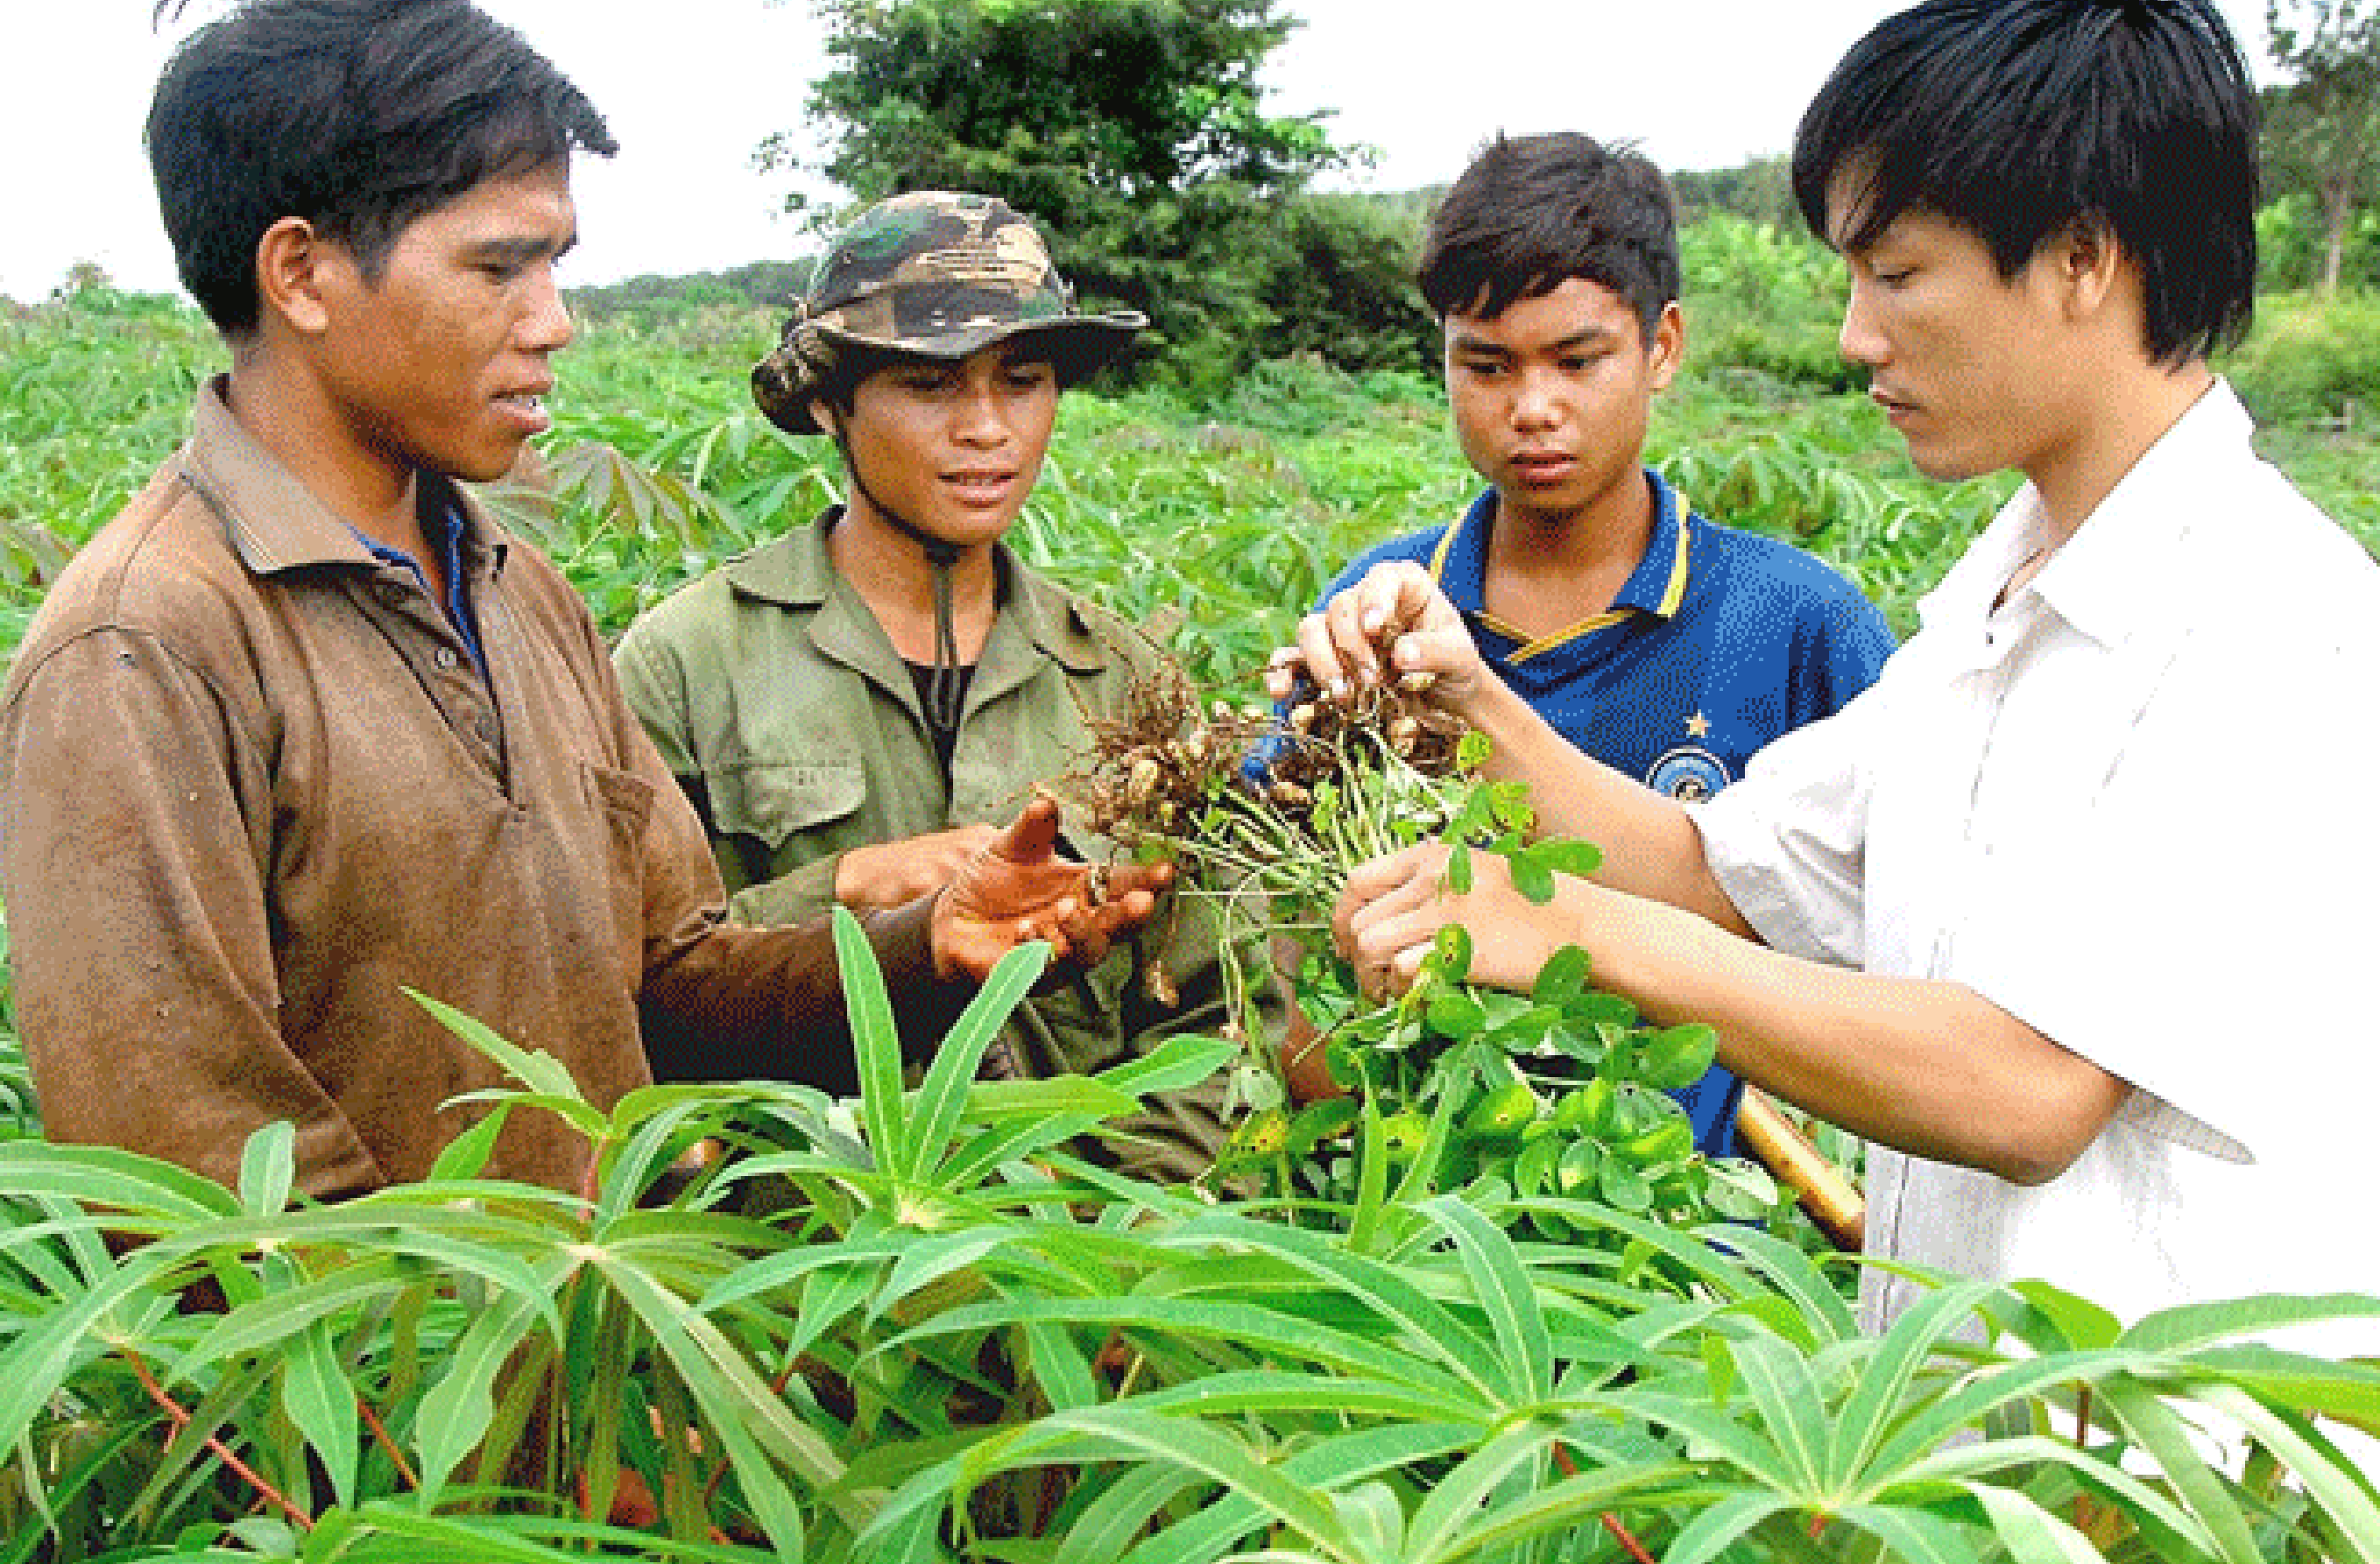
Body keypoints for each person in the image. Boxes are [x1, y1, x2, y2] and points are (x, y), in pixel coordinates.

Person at [1287, 0, 2380, 1338]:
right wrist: (1460, 693)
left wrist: (1574, 929)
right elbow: (1721, 870)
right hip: (1960, 1418)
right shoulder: (1994, 606)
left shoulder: (2270, 618)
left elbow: (2027, 1089)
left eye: (1896, 273)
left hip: (2169, 1440)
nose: (1857, 335)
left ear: (2081, 258)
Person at [0, 0, 1163, 1203]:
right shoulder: (145, 642)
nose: (553, 321)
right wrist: (491, 1320)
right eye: (499, 267)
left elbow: (671, 980)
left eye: (555, 264)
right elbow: (191, 1159)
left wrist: (925, 945)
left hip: (616, 1310)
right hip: (441, 1328)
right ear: (301, 274)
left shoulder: (522, 593)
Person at [1277, 133, 1895, 1158]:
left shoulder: (1797, 623)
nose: (1531, 409)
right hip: (1414, 1201)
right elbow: (1291, 979)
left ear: (1661, 346)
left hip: (1691, 1219)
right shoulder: (1376, 609)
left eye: (1576, 361)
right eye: (1485, 365)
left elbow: (1899, 966)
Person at [613, 193, 1236, 1181]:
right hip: (792, 1237)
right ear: (830, 402)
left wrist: (1124, 1223)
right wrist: (849, 887)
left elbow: (1216, 1019)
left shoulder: (1127, 680)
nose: (986, 428)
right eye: (929, 383)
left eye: (1022, 381)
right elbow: (624, 990)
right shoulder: (684, 664)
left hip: (1081, 1240)